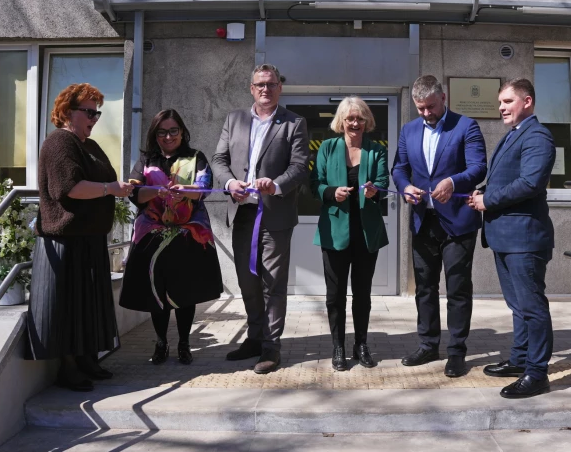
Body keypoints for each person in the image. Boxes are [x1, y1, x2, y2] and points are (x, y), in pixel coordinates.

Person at [26, 83, 133, 392]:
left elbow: (104, 181)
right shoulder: (59, 142)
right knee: (69, 308)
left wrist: (118, 187)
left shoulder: (90, 145)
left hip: (89, 238)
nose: (94, 119)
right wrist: (110, 189)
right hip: (65, 241)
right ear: (67, 111)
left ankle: (86, 359)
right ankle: (68, 368)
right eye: (88, 112)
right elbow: (68, 188)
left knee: (88, 306)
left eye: (96, 113)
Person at [212, 64, 309, 374]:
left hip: (274, 214)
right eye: (260, 84)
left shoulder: (294, 123)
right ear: (251, 89)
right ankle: (254, 338)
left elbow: (299, 166)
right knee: (247, 281)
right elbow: (219, 159)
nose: (266, 89)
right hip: (242, 212)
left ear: (280, 87)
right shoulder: (234, 119)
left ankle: (271, 347)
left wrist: (276, 184)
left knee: (272, 283)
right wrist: (230, 183)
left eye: (271, 84)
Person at [392, 75, 487, 378]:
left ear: (443, 98)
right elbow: (400, 168)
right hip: (424, 220)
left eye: (431, 107)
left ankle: (456, 351)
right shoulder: (408, 130)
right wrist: (405, 187)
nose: (426, 113)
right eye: (420, 108)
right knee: (424, 287)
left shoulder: (466, 126)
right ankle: (428, 344)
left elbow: (478, 167)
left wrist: (453, 182)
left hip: (458, 222)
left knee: (457, 288)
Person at [468, 78, 556, 399]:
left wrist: (488, 200)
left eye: (508, 102)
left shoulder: (538, 136)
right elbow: (506, 179)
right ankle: (519, 360)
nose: (501, 108)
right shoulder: (513, 134)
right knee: (517, 305)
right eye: (500, 102)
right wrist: (482, 192)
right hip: (505, 237)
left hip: (525, 239)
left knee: (532, 307)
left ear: (527, 102)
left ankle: (537, 373)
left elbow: (530, 183)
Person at [119, 109, 223, 366]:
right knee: (157, 293)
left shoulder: (195, 157)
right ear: (154, 134)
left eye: (173, 131)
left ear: (182, 132)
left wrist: (184, 191)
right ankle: (161, 342)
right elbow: (134, 193)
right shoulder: (146, 160)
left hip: (187, 236)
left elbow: (203, 190)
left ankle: (184, 343)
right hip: (152, 238)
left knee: (185, 292)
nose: (168, 136)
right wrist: (156, 191)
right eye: (162, 132)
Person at [310, 97, 388, 371]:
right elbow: (315, 184)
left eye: (360, 119)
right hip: (334, 232)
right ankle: (338, 347)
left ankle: (361, 344)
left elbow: (383, 182)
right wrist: (332, 192)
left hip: (366, 233)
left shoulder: (376, 150)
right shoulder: (327, 147)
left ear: (367, 121)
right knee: (335, 296)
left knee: (363, 294)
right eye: (350, 118)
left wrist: (375, 190)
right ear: (341, 121)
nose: (355, 123)